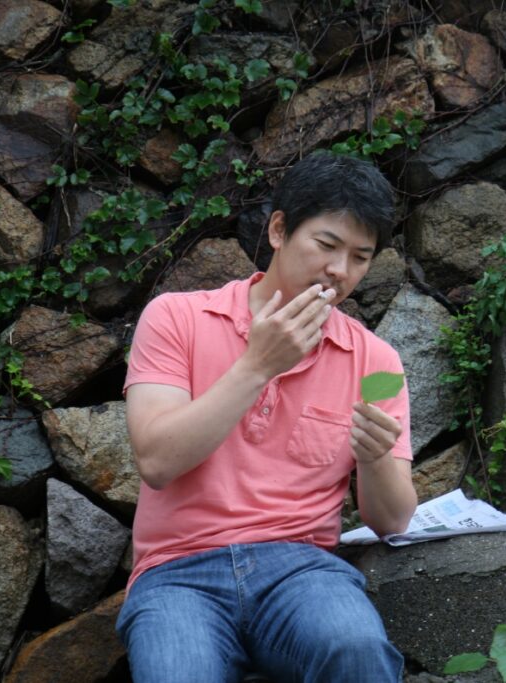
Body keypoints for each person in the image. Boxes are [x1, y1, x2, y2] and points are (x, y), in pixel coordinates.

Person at [116, 152, 418, 683]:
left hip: (302, 572)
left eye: (360, 257)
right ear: (279, 229)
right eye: (326, 245)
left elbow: (391, 520)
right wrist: (257, 365)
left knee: (356, 648)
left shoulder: (379, 361)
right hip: (177, 573)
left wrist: (374, 460)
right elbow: (157, 460)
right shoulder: (176, 317)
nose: (340, 271)